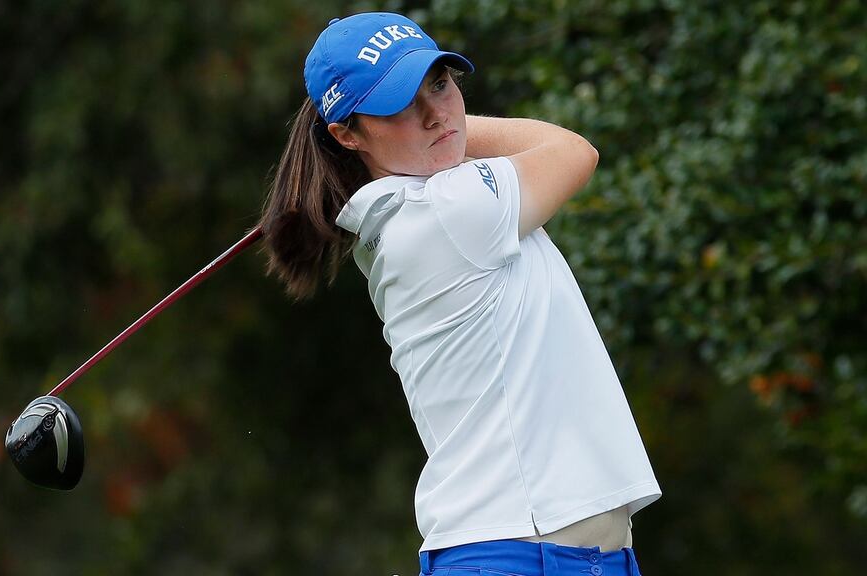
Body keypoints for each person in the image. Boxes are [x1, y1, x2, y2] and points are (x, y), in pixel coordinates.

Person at [259, 12, 661, 576]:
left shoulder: (416, 212)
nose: (432, 113)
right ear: (347, 135)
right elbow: (574, 151)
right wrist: (458, 127)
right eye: (400, 103)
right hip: (518, 555)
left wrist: (447, 130)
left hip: (559, 553)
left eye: (440, 84)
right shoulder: (447, 208)